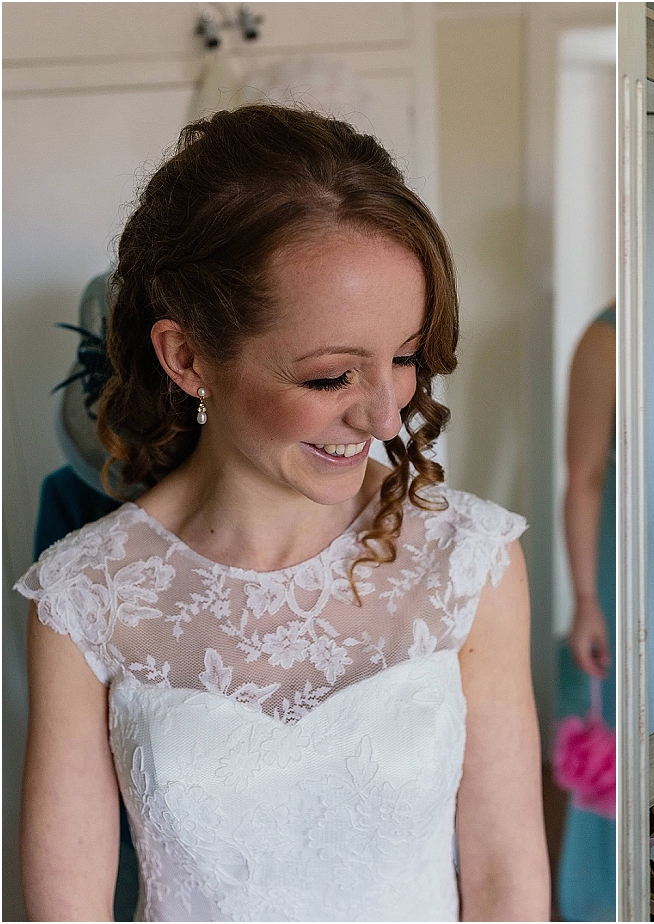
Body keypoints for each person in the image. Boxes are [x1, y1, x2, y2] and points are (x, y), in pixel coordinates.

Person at [17, 104, 549, 921]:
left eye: (404, 358)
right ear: (189, 358)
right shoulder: (83, 598)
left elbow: (507, 878)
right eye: (331, 377)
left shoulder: (470, 559)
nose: (383, 417)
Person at [555, 306, 616, 921]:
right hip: (620, 565)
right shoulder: (606, 337)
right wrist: (587, 599)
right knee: (614, 735)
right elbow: (583, 477)